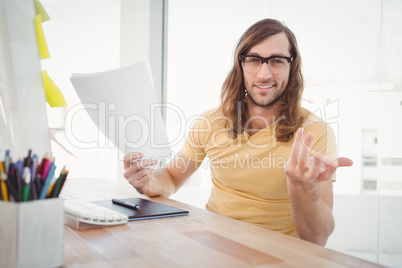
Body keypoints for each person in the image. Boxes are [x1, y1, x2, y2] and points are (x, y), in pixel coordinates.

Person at [123, 18, 353, 246]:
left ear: (292, 67)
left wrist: (302, 186)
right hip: (214, 248)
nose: (264, 74)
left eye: (276, 60)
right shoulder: (211, 122)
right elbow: (172, 177)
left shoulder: (315, 132)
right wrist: (149, 183)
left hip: (278, 256)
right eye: (254, 60)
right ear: (240, 65)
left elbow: (317, 237)